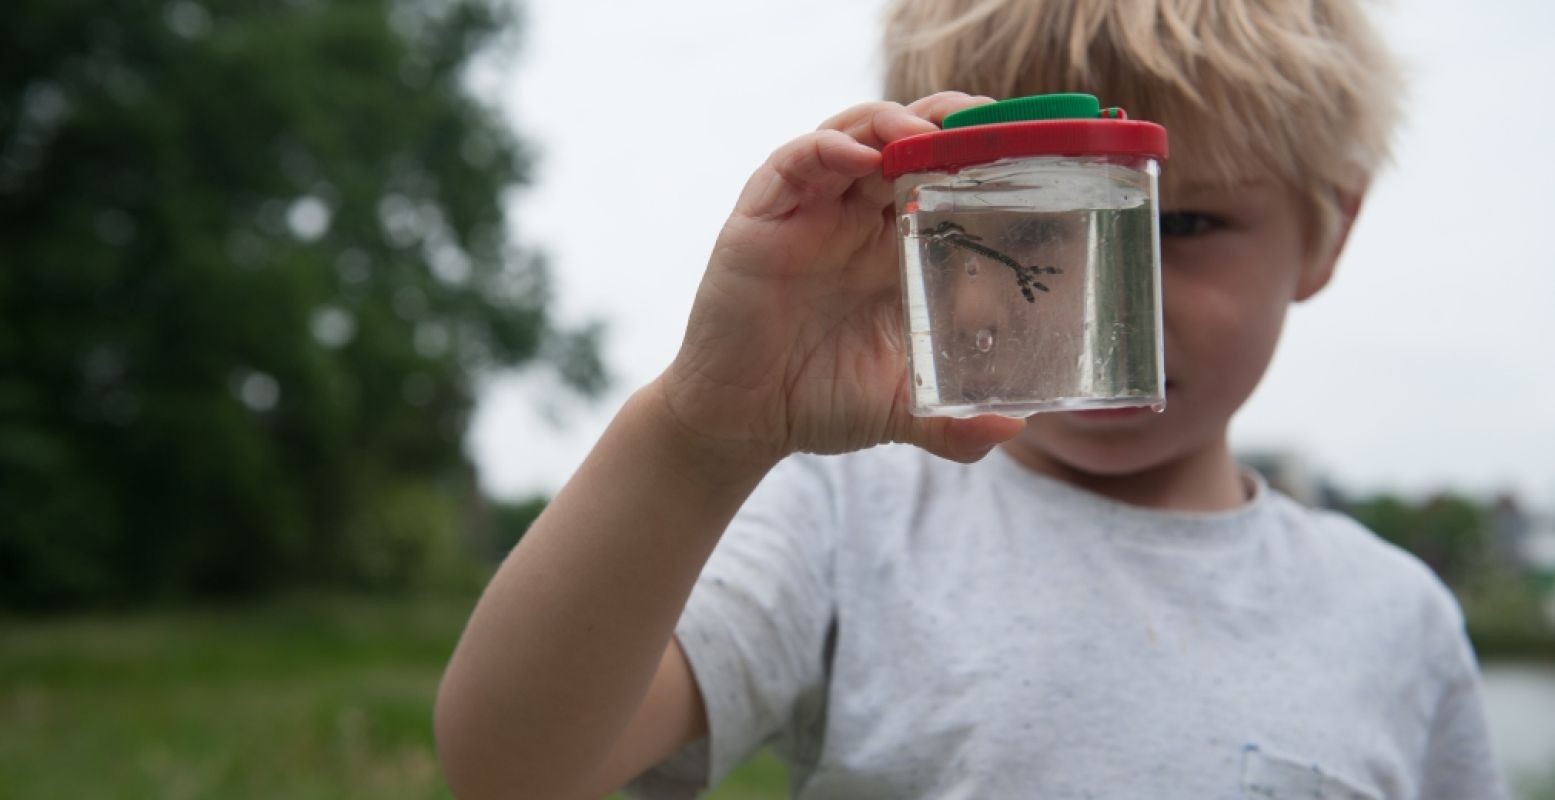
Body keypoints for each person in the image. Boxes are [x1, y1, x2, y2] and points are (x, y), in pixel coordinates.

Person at [434, 0, 1508, 797]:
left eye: (1181, 228)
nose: (1098, 300)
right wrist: (699, 432)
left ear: (1328, 231)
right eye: (1031, 226)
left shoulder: (1398, 621)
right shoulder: (848, 519)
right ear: (916, 224)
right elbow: (513, 765)